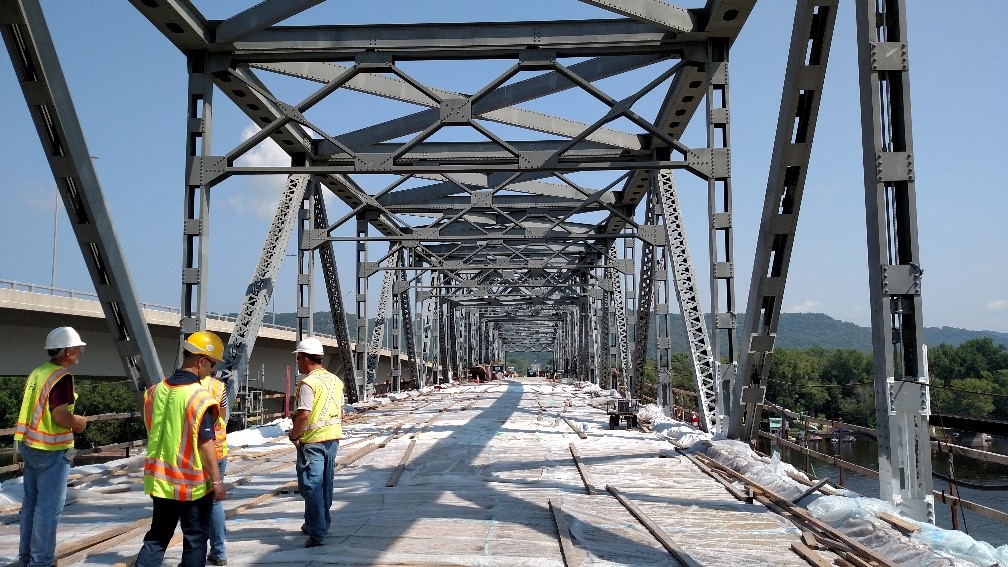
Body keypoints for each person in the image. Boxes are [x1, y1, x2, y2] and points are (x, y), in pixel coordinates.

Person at [135, 331, 227, 567]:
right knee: (195, 540)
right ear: (201, 361)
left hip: (160, 480)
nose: (213, 370)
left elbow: (152, 428)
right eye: (213, 364)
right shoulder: (199, 397)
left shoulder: (154, 392)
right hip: (191, 484)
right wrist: (217, 481)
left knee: (157, 537)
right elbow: (205, 443)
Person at [15, 326, 89, 567]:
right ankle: (42, 561)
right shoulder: (61, 377)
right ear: (67, 351)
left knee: (31, 506)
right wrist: (78, 423)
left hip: (30, 445)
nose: (80, 352)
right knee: (48, 510)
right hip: (51, 449)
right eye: (77, 348)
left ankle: (26, 558)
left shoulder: (38, 372)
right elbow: (60, 415)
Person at [288, 337, 343, 548]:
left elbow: (303, 415)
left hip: (312, 442)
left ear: (306, 359)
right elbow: (339, 412)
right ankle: (316, 522)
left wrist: (294, 436)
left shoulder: (308, 383)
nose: (298, 363)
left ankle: (317, 532)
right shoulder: (335, 381)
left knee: (310, 487)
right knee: (325, 486)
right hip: (332, 438)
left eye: (299, 358)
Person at [199, 371, 229, 566]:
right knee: (215, 502)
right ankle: (219, 553)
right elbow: (223, 417)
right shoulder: (218, 387)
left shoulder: (183, 387)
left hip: (195, 453)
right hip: (218, 450)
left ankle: (195, 555)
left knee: (193, 503)